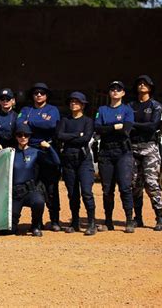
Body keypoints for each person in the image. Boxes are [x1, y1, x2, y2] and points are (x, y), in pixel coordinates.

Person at [17, 82, 61, 231]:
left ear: (46, 95)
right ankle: (38, 221)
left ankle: (54, 220)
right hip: (31, 150)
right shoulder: (26, 109)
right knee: (34, 186)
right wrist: (40, 123)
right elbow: (19, 124)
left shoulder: (52, 109)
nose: (39, 95)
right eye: (36, 93)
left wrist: (30, 122)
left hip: (46, 149)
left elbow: (51, 125)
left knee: (51, 187)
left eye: (42, 93)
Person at [95, 81, 135, 233]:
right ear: (109, 93)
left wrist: (109, 129)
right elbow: (98, 128)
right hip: (106, 152)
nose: (115, 91)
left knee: (125, 187)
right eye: (112, 89)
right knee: (107, 189)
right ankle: (108, 221)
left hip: (123, 152)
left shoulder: (127, 110)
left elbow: (126, 130)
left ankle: (129, 220)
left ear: (123, 93)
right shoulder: (102, 109)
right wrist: (115, 126)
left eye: (118, 89)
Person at [129, 75, 162, 231]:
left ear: (150, 87)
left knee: (151, 184)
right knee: (134, 185)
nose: (142, 85)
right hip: (133, 147)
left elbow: (153, 126)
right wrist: (138, 125)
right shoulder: (131, 105)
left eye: (145, 84)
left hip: (150, 147)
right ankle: (138, 218)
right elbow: (126, 125)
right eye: (139, 83)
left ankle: (159, 218)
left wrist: (134, 124)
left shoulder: (155, 105)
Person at [9, 123, 60, 237]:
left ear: (29, 137)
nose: (23, 137)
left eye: (26, 135)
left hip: (31, 190)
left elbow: (56, 162)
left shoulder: (35, 152)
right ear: (15, 136)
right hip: (15, 192)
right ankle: (11, 226)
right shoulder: (10, 152)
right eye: (19, 135)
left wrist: (49, 147)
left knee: (38, 201)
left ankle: (35, 225)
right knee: (11, 228)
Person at [57, 92, 97, 235]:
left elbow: (85, 139)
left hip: (83, 160)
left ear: (83, 104)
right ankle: (75, 221)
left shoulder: (88, 121)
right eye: (72, 101)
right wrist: (76, 135)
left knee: (86, 192)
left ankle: (92, 222)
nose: (73, 103)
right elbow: (59, 136)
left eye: (77, 101)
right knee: (72, 193)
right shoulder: (65, 120)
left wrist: (71, 137)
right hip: (68, 160)